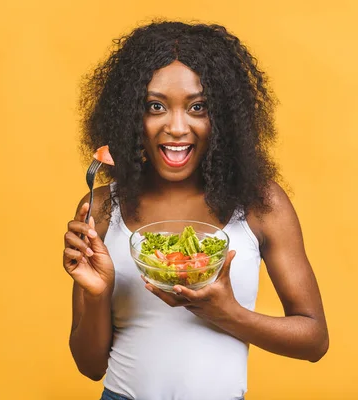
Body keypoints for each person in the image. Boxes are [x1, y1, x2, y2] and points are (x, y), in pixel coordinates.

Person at [63, 21, 329, 400]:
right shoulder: (102, 207)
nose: (176, 126)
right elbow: (90, 367)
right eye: (155, 106)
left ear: (222, 117)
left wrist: (224, 312)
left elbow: (314, 340)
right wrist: (96, 292)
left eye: (197, 107)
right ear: (130, 117)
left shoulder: (259, 204)